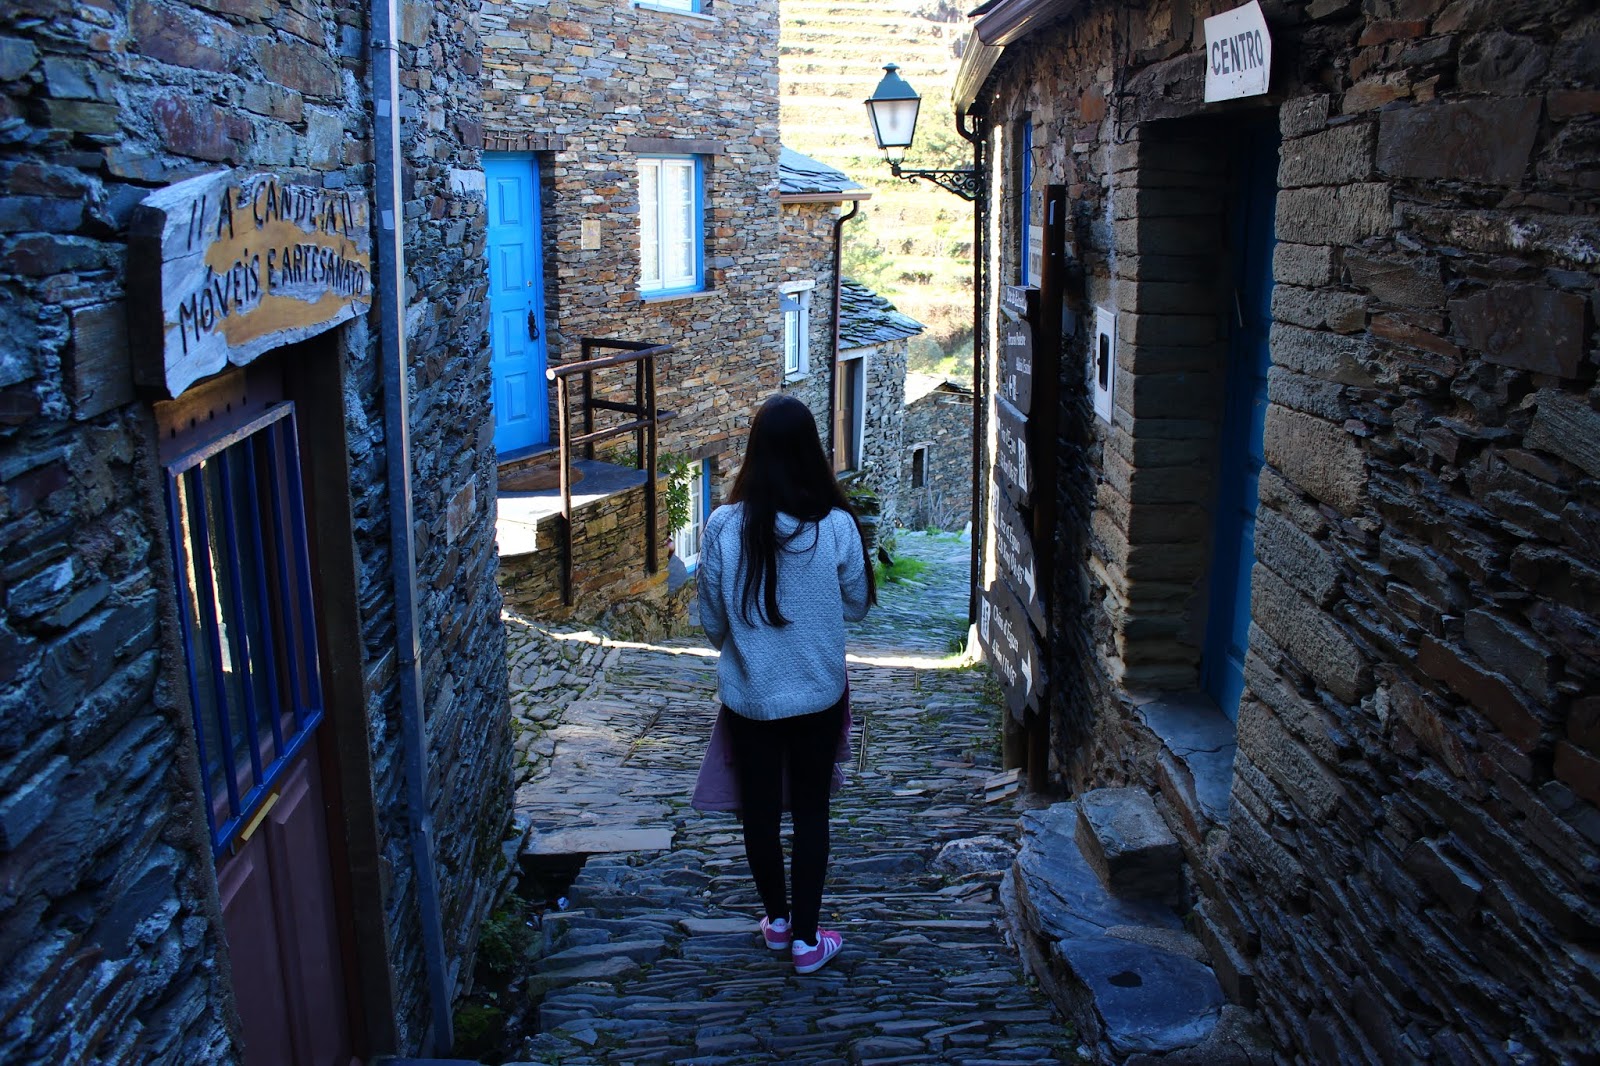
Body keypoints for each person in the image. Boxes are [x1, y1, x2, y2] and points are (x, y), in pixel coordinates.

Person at [697, 393, 876, 975]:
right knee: (811, 814)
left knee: (759, 813)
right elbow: (857, 605)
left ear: (754, 452)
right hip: (819, 693)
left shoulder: (723, 527)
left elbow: (712, 621)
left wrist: (748, 645)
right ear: (810, 452)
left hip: (750, 697)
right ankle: (806, 940)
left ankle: (776, 921)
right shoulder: (836, 527)